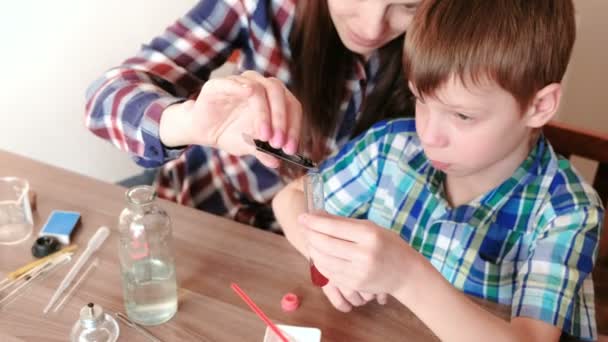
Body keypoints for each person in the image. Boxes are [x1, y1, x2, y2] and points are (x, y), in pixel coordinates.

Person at [273, 0, 603, 340]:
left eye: (462, 116)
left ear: (539, 106)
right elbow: (291, 198)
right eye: (420, 99)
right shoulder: (392, 148)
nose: (428, 135)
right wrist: (327, 258)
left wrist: (406, 276)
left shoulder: (566, 212)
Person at [84, 0, 421, 231]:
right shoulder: (263, 7)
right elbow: (105, 97)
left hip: (305, 252)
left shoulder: (445, 51)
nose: (372, 26)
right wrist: (189, 122)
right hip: (194, 209)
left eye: (408, 4)